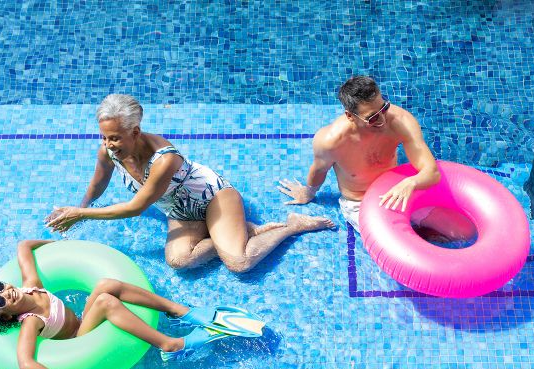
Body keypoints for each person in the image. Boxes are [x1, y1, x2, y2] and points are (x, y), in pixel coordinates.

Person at [45, 94, 334, 273]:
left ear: (135, 131)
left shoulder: (164, 159)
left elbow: (136, 207)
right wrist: (78, 209)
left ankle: (291, 226)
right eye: (104, 137)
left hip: (214, 198)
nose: (109, 144)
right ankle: (243, 231)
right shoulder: (108, 152)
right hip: (182, 212)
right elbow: (98, 183)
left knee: (239, 263)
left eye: (115, 138)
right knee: (179, 262)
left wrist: (81, 214)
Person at [0, 240, 247, 369]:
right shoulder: (31, 322)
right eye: (0, 302)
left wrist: (62, 247)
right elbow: (25, 363)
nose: (5, 293)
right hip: (78, 340)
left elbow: (23, 246)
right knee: (106, 301)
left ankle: (180, 311)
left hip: (83, 322)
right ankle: (171, 345)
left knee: (106, 284)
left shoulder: (32, 285)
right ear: (6, 316)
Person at [277, 75, 473, 239]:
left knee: (463, 233)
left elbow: (432, 173)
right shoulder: (331, 141)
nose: (383, 120)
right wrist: (309, 192)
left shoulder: (401, 122)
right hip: (360, 202)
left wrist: (411, 182)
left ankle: (421, 232)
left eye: (384, 108)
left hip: (398, 191)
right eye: (372, 117)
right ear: (350, 116)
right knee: (398, 246)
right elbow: (319, 169)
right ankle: (419, 234)